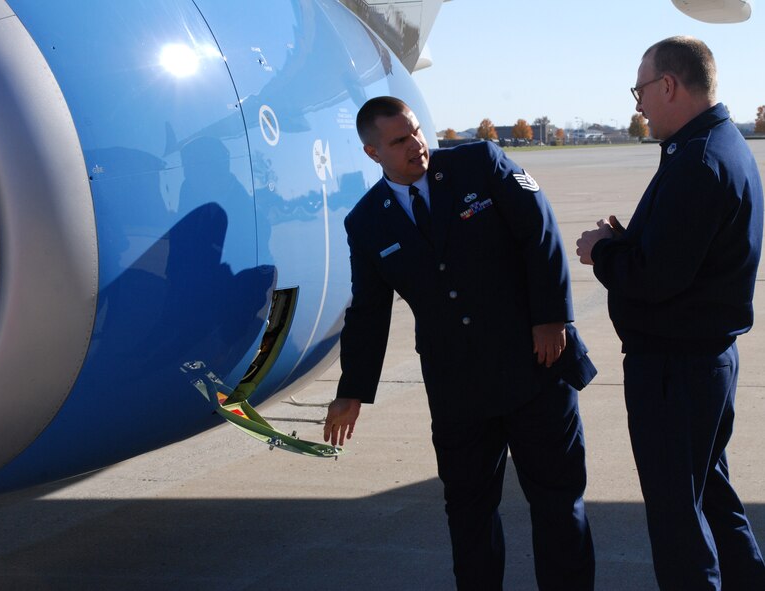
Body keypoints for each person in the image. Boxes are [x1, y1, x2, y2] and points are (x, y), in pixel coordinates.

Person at [324, 96, 596, 590]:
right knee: (469, 514)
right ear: (372, 153)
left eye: (416, 132)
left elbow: (541, 231)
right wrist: (352, 390)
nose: (416, 146)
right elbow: (368, 311)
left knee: (558, 504)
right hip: (459, 390)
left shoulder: (480, 163)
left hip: (535, 364)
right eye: (400, 141)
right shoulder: (366, 223)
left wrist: (551, 317)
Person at [576, 36, 765, 590]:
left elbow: (656, 279)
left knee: (677, 516)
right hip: (700, 363)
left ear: (669, 86)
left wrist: (603, 252)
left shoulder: (699, 161)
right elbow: (683, 258)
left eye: (640, 89)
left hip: (675, 370)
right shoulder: (718, 145)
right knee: (710, 493)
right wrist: (632, 243)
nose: (637, 103)